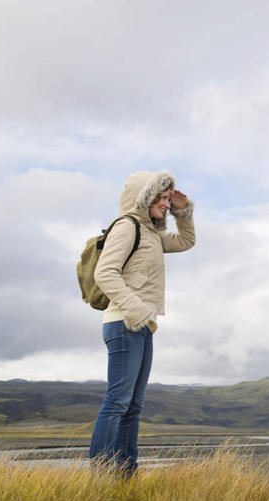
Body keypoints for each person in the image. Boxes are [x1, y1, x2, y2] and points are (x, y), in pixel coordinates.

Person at [88, 170, 195, 475]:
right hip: (124, 323)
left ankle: (124, 473)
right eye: (160, 198)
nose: (165, 203)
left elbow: (187, 241)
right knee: (118, 402)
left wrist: (182, 211)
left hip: (141, 325)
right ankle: (101, 474)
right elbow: (105, 273)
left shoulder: (152, 233)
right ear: (144, 197)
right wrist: (138, 311)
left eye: (167, 197)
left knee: (132, 406)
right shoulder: (127, 227)